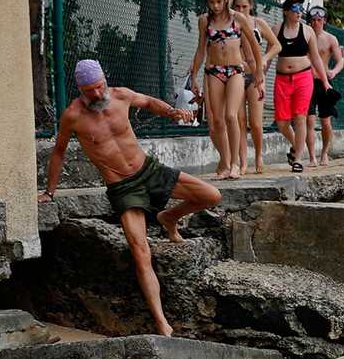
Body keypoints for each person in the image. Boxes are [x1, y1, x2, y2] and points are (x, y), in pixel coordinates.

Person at [42, 60, 220, 337]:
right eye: (90, 91)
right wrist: (49, 191)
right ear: (80, 89)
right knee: (140, 253)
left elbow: (149, 102)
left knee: (211, 195)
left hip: (148, 170)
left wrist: (172, 113)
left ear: (105, 79)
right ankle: (162, 322)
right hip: (124, 188)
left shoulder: (121, 95)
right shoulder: (72, 116)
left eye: (100, 86)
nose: (99, 94)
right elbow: (58, 152)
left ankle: (168, 217)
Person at [188, 0, 264, 181]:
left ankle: (235, 164)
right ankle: (225, 162)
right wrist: (193, 77)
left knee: (232, 116)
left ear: (226, 0)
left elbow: (255, 48)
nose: (215, 6)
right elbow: (200, 50)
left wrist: (258, 73)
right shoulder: (205, 21)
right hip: (214, 71)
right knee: (218, 120)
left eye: (219, 2)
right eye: (211, 2)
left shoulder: (238, 19)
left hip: (235, 71)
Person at [272, 0, 330, 172]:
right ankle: (297, 145)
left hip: (303, 78)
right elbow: (268, 56)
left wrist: (325, 81)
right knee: (281, 122)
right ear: (286, 11)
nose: (299, 12)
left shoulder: (307, 31)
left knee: (300, 117)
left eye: (300, 9)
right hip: (282, 78)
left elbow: (316, 59)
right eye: (295, 9)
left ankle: (297, 159)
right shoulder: (276, 30)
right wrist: (259, 77)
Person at [232, 0, 281, 175]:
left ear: (251, 6)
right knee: (239, 120)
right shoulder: (230, 24)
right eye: (238, 6)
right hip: (236, 74)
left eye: (245, 6)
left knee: (256, 122)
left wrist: (265, 59)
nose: (241, 9)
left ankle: (259, 154)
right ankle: (243, 161)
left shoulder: (257, 23)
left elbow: (277, 45)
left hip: (255, 75)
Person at [305, 4, 344, 169]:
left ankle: (324, 153)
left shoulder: (330, 39)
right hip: (306, 81)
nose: (316, 23)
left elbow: (341, 60)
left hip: (323, 82)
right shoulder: (305, 36)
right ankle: (312, 156)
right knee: (308, 121)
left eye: (319, 20)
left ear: (324, 21)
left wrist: (334, 71)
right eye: (313, 20)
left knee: (326, 122)